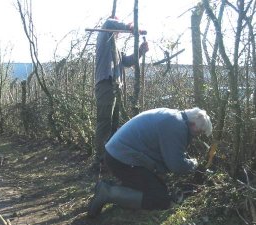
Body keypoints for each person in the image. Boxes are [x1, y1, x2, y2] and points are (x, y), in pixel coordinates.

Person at [88, 107, 212, 217]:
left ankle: (121, 189)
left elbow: (169, 153)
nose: (198, 135)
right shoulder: (177, 126)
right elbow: (176, 165)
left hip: (117, 155)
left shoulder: (174, 117)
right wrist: (193, 164)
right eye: (199, 132)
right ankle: (107, 192)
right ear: (194, 124)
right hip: (121, 160)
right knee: (160, 199)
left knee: (160, 188)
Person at [93, 17, 149, 170]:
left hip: (116, 87)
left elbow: (128, 61)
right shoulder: (105, 36)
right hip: (106, 83)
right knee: (105, 122)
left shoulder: (116, 46)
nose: (118, 29)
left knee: (114, 125)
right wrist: (132, 26)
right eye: (117, 25)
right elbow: (109, 22)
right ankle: (100, 159)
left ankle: (110, 158)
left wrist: (140, 51)